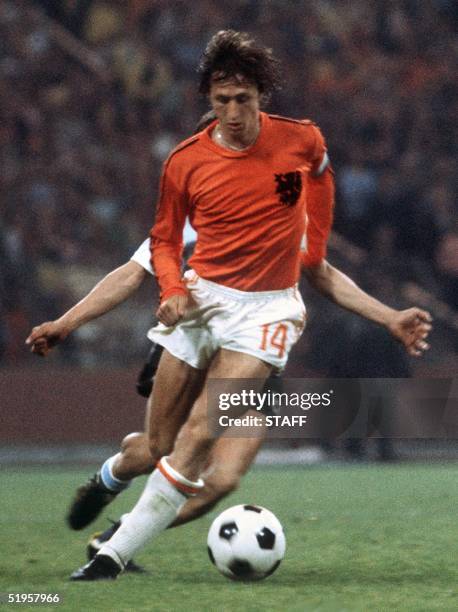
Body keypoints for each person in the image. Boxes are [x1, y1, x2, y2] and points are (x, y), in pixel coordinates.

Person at [67, 30, 432, 580]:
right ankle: (111, 483)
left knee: (220, 477)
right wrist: (76, 320)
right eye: (221, 106)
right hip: (196, 324)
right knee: (157, 447)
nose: (232, 118)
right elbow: (135, 269)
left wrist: (387, 316)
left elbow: (319, 262)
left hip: (262, 328)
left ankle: (115, 542)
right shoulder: (187, 191)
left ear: (260, 100)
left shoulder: (295, 162)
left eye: (243, 101)